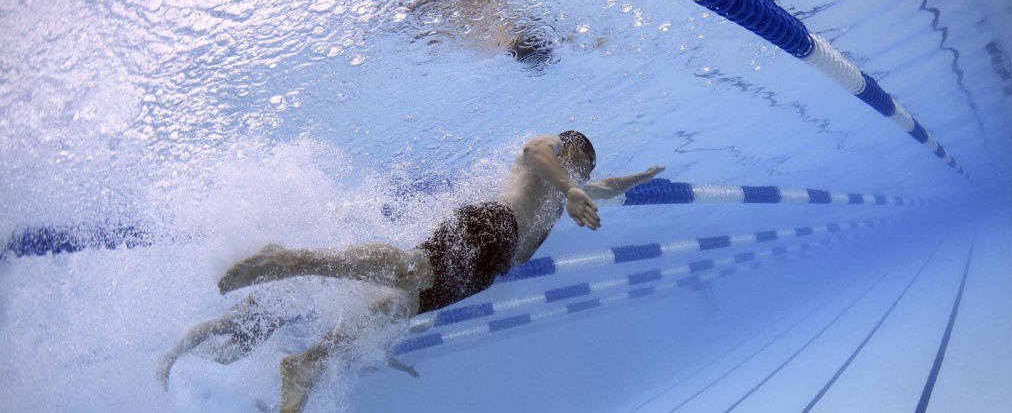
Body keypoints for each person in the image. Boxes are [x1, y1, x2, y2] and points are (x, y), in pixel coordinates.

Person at [215, 131, 664, 412]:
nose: (582, 174)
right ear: (568, 150)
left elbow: (603, 187)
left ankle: (307, 361)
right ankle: (291, 260)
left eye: (584, 171)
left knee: (395, 308)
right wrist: (568, 185)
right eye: (579, 164)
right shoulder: (550, 150)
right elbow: (532, 152)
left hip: (490, 266)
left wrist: (638, 179)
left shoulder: (576, 183)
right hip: (491, 225)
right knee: (412, 271)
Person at [157, 293, 316, 391]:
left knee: (224, 358)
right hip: (263, 303)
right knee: (220, 326)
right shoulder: (315, 285)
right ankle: (171, 356)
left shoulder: (325, 307)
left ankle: (186, 345)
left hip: (270, 323)